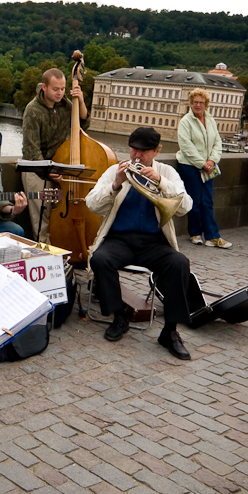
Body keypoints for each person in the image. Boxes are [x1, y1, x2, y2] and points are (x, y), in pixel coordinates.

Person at [86, 127, 195, 359]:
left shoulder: (167, 172)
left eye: (144, 151)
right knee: (100, 259)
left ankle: (170, 331)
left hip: (154, 242)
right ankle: (119, 315)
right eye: (133, 149)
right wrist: (115, 184)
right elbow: (92, 204)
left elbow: (186, 206)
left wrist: (161, 182)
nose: (137, 155)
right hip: (119, 239)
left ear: (156, 151)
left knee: (179, 263)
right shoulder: (116, 170)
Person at [21, 68, 88, 243]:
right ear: (44, 87)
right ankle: (44, 256)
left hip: (58, 166)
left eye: (63, 89)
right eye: (55, 89)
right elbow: (31, 149)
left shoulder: (65, 105)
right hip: (36, 169)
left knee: (58, 214)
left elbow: (83, 123)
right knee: (41, 219)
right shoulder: (33, 110)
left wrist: (80, 100)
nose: (60, 93)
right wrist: (46, 170)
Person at [176, 88, 231, 248]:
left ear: (206, 104)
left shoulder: (210, 120)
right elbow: (186, 146)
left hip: (207, 167)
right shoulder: (186, 121)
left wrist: (212, 160)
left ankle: (211, 236)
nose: (198, 105)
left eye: (201, 102)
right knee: (195, 201)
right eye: (195, 102)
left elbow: (217, 142)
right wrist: (203, 163)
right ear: (191, 104)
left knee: (207, 201)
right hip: (189, 166)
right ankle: (194, 233)